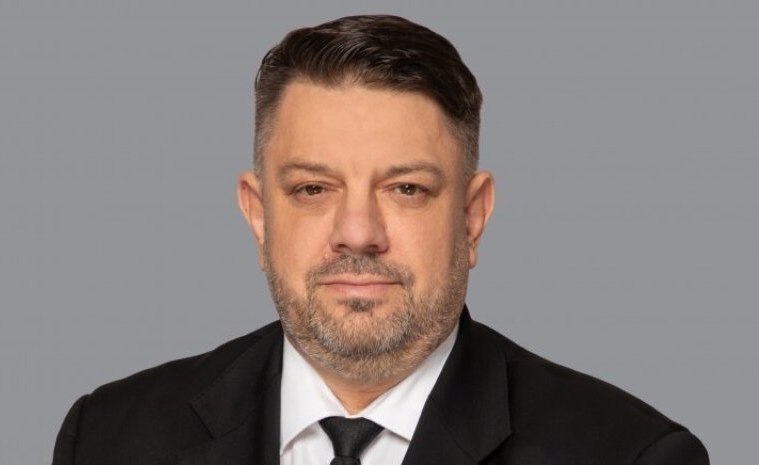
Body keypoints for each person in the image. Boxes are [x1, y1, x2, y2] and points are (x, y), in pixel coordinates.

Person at [52, 15, 709, 465]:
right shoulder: (107, 439)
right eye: (313, 188)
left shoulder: (628, 454)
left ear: (472, 217)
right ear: (259, 215)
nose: (357, 233)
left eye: (406, 189)